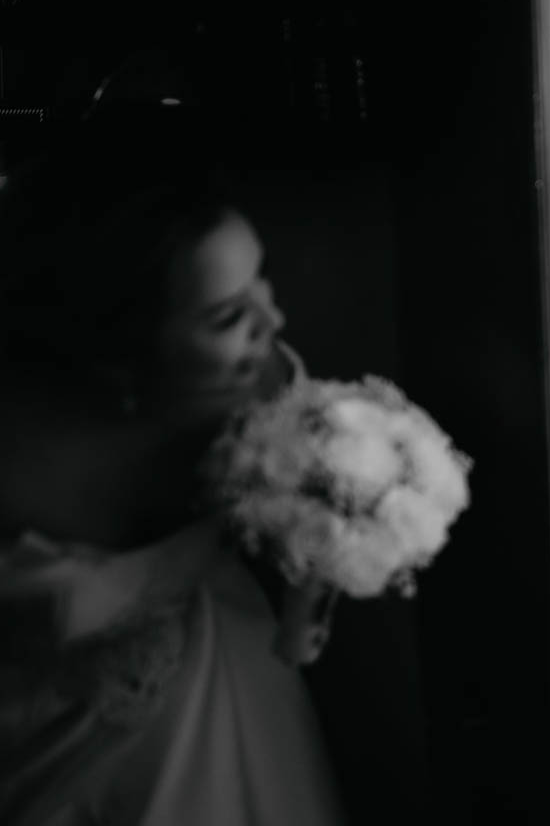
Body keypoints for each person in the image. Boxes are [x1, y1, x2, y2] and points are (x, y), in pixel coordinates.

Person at [0, 135, 346, 824]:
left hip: (225, 678)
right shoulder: (16, 455)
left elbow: (310, 502)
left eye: (261, 280)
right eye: (228, 316)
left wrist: (320, 573)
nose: (273, 322)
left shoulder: (262, 386)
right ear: (120, 360)